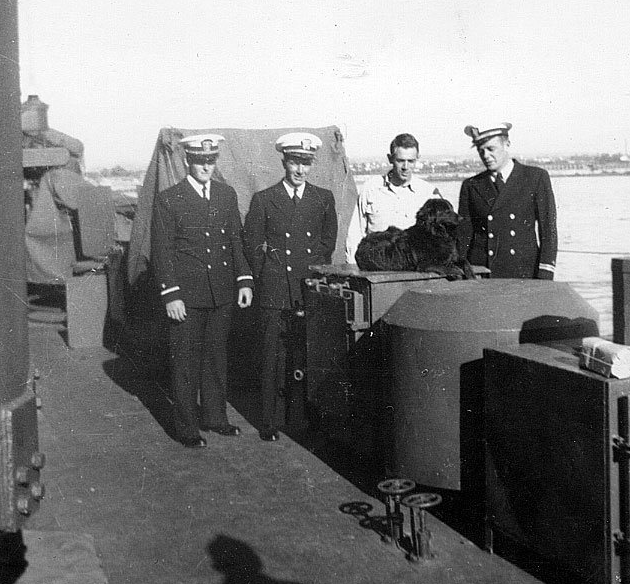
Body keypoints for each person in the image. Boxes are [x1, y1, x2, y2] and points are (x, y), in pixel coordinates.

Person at [151, 134, 253, 448]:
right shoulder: (170, 198)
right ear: (187, 161)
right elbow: (162, 250)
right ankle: (187, 428)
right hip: (187, 295)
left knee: (216, 357)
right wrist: (171, 294)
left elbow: (235, 240)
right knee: (185, 362)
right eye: (199, 161)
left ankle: (215, 418)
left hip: (221, 291)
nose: (206, 167)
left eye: (210, 160)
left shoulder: (225, 194)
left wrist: (244, 279)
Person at [243, 133, 338, 441]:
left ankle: (303, 420)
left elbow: (327, 243)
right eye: (295, 162)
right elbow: (252, 244)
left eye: (306, 163)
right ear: (284, 162)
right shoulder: (264, 199)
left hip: (307, 288)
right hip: (275, 289)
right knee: (272, 356)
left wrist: (312, 273)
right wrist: (267, 276)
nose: (300, 170)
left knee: (307, 355)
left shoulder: (323, 198)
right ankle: (270, 421)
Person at [458, 122, 557, 279]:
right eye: (481, 151)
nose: (485, 156)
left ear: (507, 144)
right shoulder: (471, 185)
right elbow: (464, 235)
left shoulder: (535, 178)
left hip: (523, 272)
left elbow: (548, 230)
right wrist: (461, 273)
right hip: (482, 273)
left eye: (491, 149)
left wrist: (545, 273)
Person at [345, 132, 440, 263]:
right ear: (390, 159)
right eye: (400, 161)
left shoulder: (427, 193)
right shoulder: (370, 189)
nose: (406, 167)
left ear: (417, 159)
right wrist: (353, 267)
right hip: (375, 266)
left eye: (411, 161)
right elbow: (355, 233)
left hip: (414, 267)